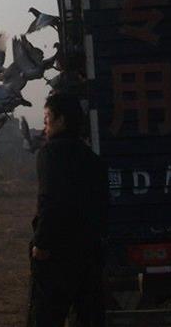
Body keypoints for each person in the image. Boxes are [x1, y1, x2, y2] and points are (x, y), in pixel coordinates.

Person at [27, 91, 108, 327]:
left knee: (46, 317)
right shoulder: (92, 158)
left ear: (61, 120)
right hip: (89, 255)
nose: (45, 126)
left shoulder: (51, 154)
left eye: (47, 119)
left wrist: (41, 244)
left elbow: (51, 201)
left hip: (57, 256)